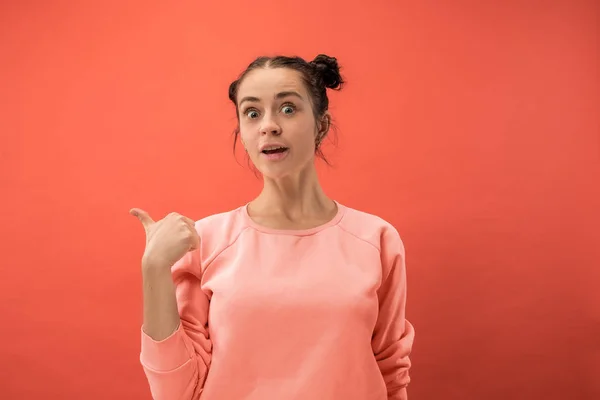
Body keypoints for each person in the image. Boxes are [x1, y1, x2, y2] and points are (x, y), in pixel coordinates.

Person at [130, 54, 415, 400]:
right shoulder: (204, 241)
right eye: (252, 113)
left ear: (321, 125)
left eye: (288, 109)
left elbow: (391, 373)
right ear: (243, 132)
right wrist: (155, 269)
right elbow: (175, 392)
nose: (268, 125)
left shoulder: (376, 239)